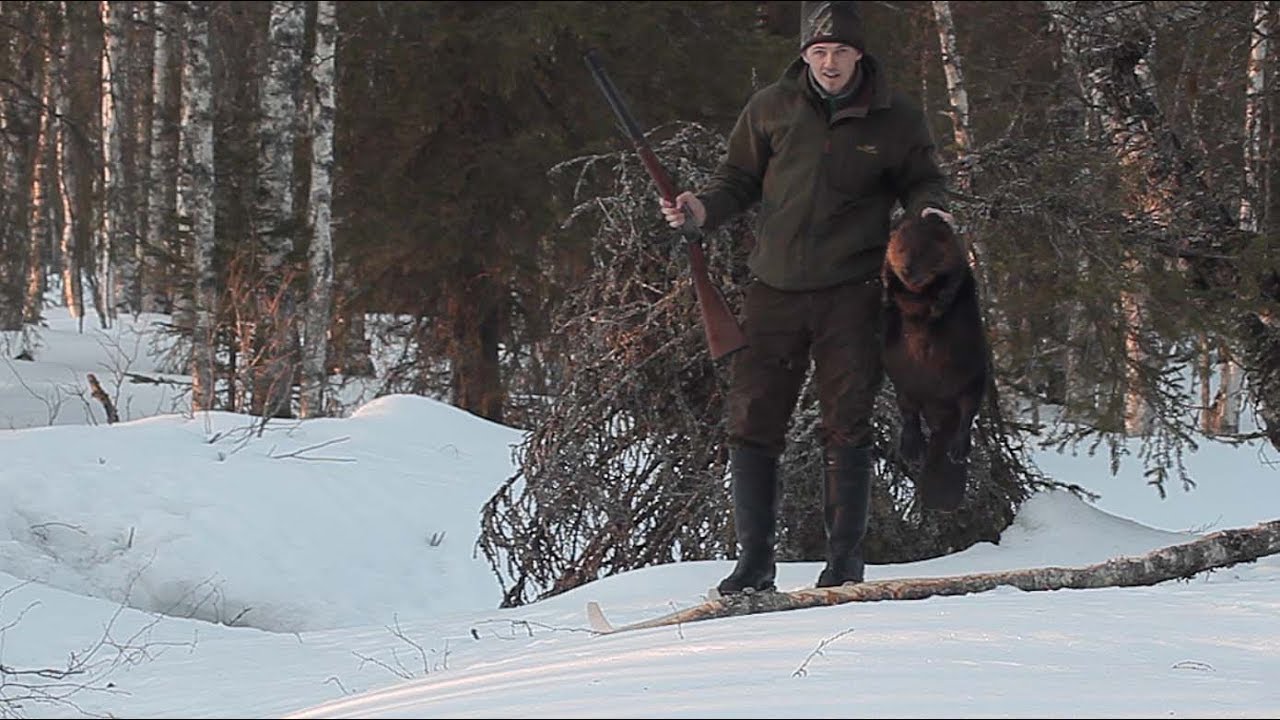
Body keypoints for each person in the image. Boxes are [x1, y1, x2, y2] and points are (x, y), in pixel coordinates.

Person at [660, 0, 954, 594]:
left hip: (851, 289)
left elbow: (922, 176)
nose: (829, 63)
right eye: (818, 52)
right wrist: (701, 211)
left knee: (846, 422)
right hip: (775, 289)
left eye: (840, 52)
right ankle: (754, 564)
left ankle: (844, 563)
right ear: (803, 55)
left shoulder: (895, 116)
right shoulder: (771, 106)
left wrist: (928, 210)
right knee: (752, 421)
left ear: (858, 54)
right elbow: (737, 180)